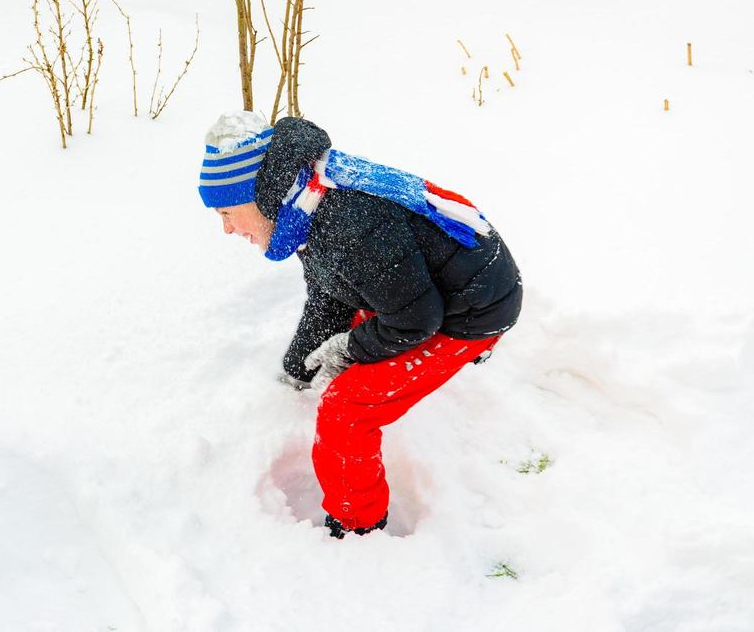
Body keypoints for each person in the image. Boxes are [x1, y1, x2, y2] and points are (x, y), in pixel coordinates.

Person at [198, 112, 521, 537]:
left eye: (226, 211)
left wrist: (347, 350)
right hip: (438, 289)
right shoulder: (306, 198)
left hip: (473, 312)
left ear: (255, 193)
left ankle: (356, 526)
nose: (226, 229)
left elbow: (415, 320)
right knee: (366, 308)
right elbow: (331, 292)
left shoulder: (348, 221)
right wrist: (298, 370)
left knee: (345, 412)